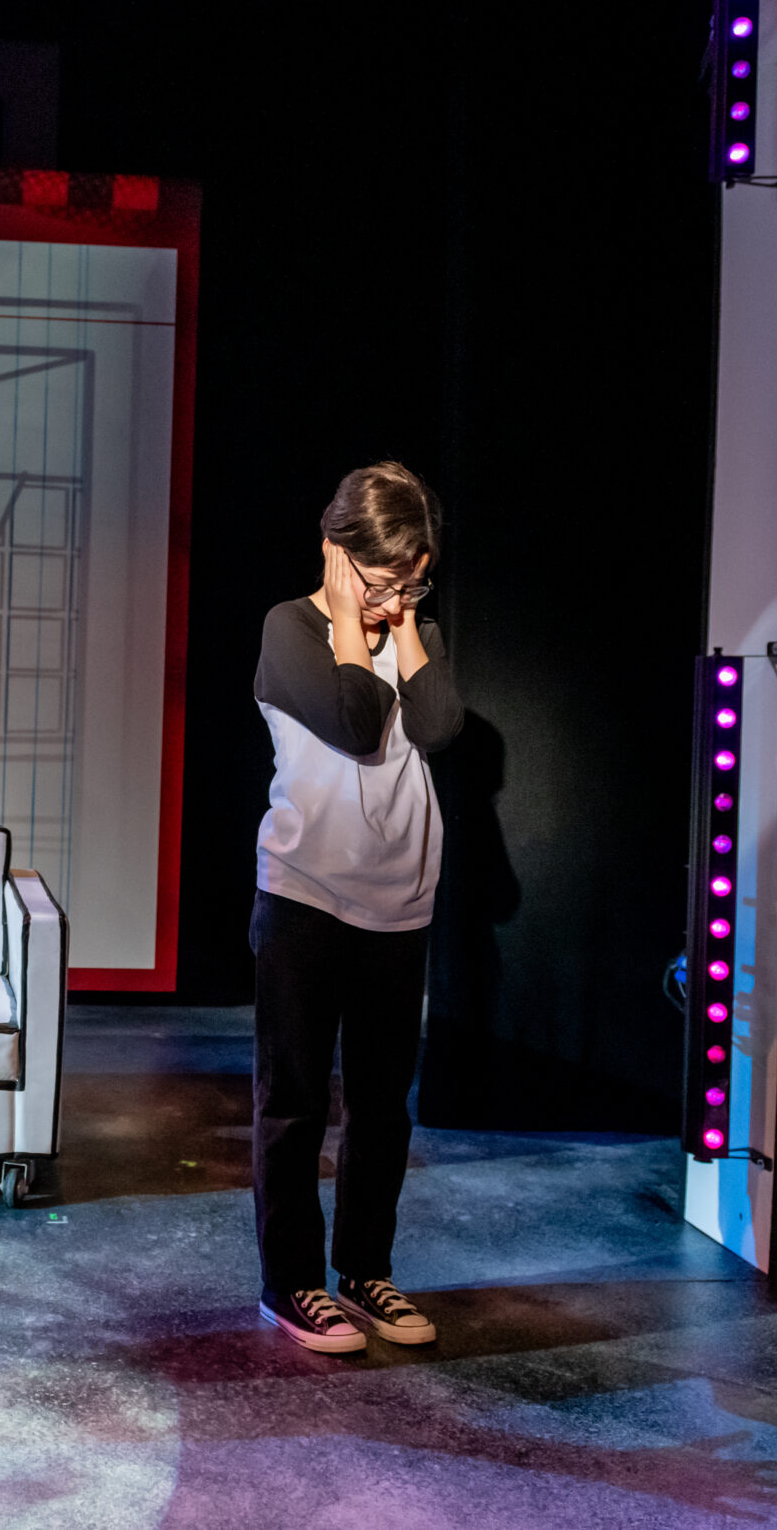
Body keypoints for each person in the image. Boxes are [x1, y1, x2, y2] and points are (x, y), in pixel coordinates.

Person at [248, 460, 464, 1353]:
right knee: (295, 1103)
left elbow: (440, 725)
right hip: (305, 898)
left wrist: (405, 623)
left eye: (411, 582)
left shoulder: (415, 631)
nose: (392, 599)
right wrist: (349, 616)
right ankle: (292, 1281)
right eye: (379, 581)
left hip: (399, 906)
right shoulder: (292, 628)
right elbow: (355, 718)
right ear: (336, 554)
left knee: (381, 1109)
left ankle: (365, 1268)